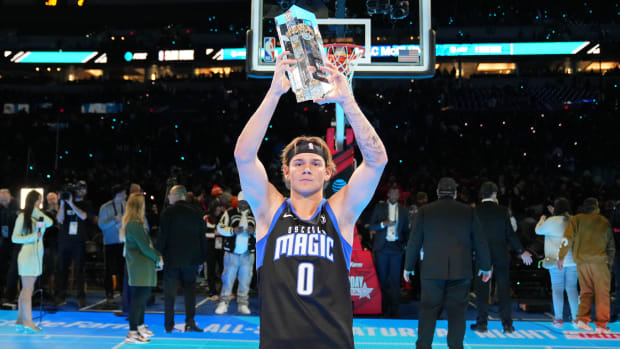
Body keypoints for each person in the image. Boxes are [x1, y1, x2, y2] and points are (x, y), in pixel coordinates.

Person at [234, 52, 388, 348]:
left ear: (329, 172)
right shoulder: (269, 210)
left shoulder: (340, 213)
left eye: (315, 163)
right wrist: (274, 93)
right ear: (286, 173)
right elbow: (243, 156)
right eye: (299, 162)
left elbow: (376, 161)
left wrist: (347, 101)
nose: (306, 167)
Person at [404, 177, 491, 349]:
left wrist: (408, 267)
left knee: (428, 312)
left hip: (431, 271)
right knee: (457, 313)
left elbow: (414, 242)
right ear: (456, 193)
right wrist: (485, 266)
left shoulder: (425, 211)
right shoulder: (468, 211)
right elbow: (480, 241)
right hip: (461, 271)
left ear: (437, 193)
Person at [470, 181, 533, 333]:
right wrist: (521, 250)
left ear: (481, 195)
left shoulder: (474, 211)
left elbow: (470, 236)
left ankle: (482, 324)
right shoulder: (503, 211)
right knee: (504, 289)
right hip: (500, 254)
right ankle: (507, 325)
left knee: (482, 289)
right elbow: (510, 234)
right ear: (495, 194)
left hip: (481, 255)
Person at [559, 197, 615, 334]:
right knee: (602, 294)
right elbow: (611, 246)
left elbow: (567, 238)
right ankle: (601, 325)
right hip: (599, 262)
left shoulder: (576, 219)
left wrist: (561, 256)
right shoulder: (603, 221)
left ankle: (583, 320)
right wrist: (610, 264)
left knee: (585, 292)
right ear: (596, 207)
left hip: (582, 262)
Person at [156, 185, 207, 333]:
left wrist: (158, 255)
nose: (168, 197)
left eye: (170, 195)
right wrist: (202, 258)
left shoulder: (168, 212)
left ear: (176, 195)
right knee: (190, 292)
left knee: (169, 293)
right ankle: (190, 321)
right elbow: (202, 238)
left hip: (172, 260)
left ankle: (168, 324)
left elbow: (163, 236)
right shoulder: (197, 212)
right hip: (191, 260)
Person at [121, 193, 162, 344]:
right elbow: (145, 248)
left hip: (143, 266)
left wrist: (157, 256)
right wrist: (158, 257)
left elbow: (147, 246)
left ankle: (139, 326)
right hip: (139, 267)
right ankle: (132, 332)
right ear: (139, 207)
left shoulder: (137, 224)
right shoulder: (134, 225)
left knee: (142, 299)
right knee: (138, 300)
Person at [12, 190, 53, 332]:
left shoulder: (38, 217)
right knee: (28, 290)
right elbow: (15, 238)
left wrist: (36, 211)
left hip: (36, 255)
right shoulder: (22, 217)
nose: (41, 203)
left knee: (26, 289)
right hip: (27, 255)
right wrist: (32, 236)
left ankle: (20, 320)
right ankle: (28, 322)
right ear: (34, 200)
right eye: (39, 200)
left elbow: (50, 222)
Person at [535, 197, 578, 328]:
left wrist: (542, 219)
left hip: (555, 261)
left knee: (557, 289)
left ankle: (558, 319)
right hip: (572, 261)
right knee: (572, 289)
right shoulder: (574, 220)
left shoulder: (551, 221)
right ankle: (576, 319)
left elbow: (538, 230)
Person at [368, 186, 410, 317]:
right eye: (392, 193)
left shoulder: (404, 210)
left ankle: (395, 311)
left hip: (396, 249)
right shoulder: (379, 208)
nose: (394, 195)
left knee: (396, 281)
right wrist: (382, 224)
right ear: (388, 194)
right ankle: (383, 308)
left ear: (399, 196)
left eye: (397, 194)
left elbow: (407, 231)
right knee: (382, 280)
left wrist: (404, 245)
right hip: (382, 248)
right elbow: (371, 226)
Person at [214, 191, 256, 315]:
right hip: (232, 253)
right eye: (242, 202)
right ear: (238, 202)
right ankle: (223, 303)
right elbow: (220, 227)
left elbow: (264, 232)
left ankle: (243, 303)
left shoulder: (255, 214)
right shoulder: (230, 213)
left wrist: (253, 232)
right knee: (228, 279)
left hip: (248, 254)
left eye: (246, 202)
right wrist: (233, 231)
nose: (244, 204)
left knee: (245, 280)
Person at [55, 180, 94, 307]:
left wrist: (71, 204)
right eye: (78, 188)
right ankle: (60, 295)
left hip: (79, 241)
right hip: (65, 240)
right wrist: (62, 203)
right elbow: (59, 219)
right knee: (62, 269)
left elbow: (83, 216)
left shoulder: (87, 203)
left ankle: (81, 296)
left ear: (86, 191)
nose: (80, 190)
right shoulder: (65, 203)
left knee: (79, 270)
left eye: (83, 188)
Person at [98, 184, 127, 303]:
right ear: (118, 194)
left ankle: (123, 291)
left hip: (123, 241)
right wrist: (114, 220)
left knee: (122, 268)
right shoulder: (105, 207)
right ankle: (109, 292)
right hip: (110, 242)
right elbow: (102, 225)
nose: (126, 195)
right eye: (124, 193)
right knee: (109, 269)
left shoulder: (126, 205)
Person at [0, 188, 20, 304]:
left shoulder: (16, 205)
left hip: (16, 242)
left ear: (9, 196)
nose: (3, 197)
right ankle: (3, 292)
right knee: (2, 267)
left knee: (14, 269)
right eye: (1, 196)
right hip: (4, 241)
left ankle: (11, 294)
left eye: (5, 195)